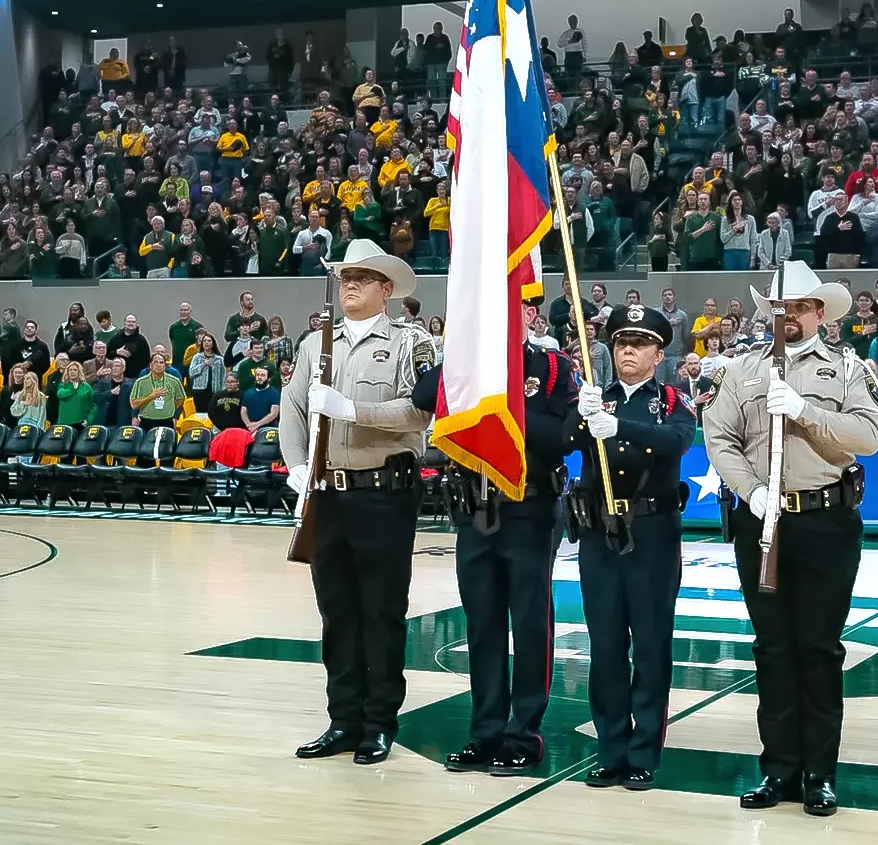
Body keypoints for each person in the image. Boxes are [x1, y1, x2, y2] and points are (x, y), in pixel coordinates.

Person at [703, 261, 878, 818]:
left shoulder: (849, 368)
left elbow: (870, 435)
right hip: (761, 522)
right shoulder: (741, 370)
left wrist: (806, 411)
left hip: (825, 523)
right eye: (780, 308)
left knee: (819, 649)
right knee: (773, 649)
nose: (790, 316)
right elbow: (719, 436)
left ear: (819, 312)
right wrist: (749, 489)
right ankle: (777, 769)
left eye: (801, 307)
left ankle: (819, 774)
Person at [282, 239, 435, 766]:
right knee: (337, 614)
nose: (350, 285)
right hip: (326, 495)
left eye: (363, 278)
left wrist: (351, 409)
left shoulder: (409, 343)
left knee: (382, 612)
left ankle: (378, 722)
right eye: (346, 276)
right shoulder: (312, 344)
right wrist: (297, 464)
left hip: (382, 495)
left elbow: (419, 415)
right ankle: (343, 718)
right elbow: (294, 411)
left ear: (386, 289)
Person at [411, 290, 575, 776]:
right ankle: (484, 732)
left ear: (530, 314)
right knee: (481, 624)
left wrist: (500, 407)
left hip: (529, 507)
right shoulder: (465, 365)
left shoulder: (550, 368)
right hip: (474, 510)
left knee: (529, 623)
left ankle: (523, 733)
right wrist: (467, 357)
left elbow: (560, 436)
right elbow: (424, 397)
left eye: (512, 308)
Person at [562, 302, 694, 793]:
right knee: (606, 646)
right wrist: (583, 416)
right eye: (621, 343)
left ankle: (644, 753)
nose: (628, 352)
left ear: (659, 353)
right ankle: (611, 750)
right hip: (599, 535)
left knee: (652, 645)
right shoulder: (598, 398)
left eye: (639, 344)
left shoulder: (671, 400)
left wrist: (620, 428)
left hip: (652, 536)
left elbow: (676, 442)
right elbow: (563, 439)